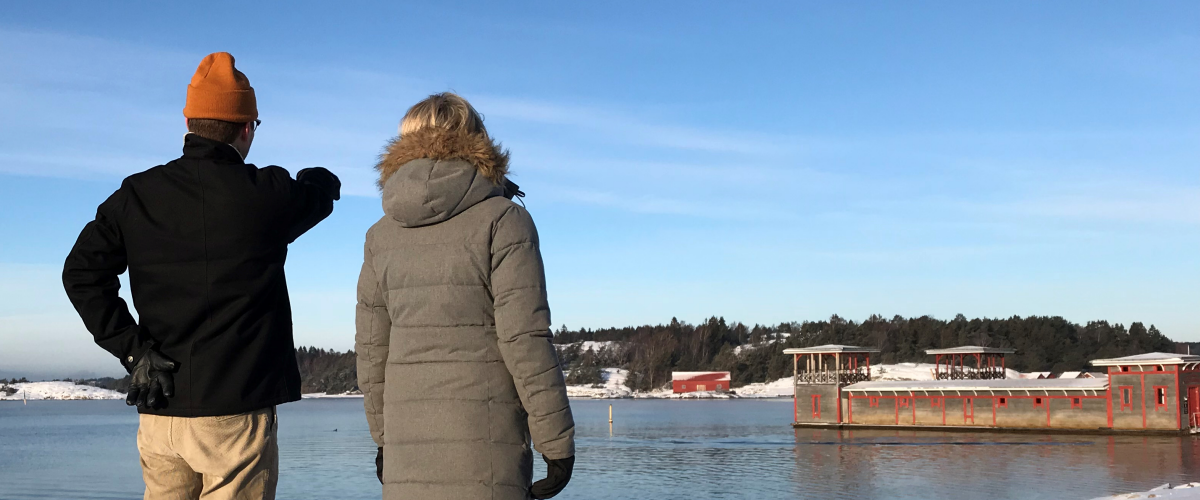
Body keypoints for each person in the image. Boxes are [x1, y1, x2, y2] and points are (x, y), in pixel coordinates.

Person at [62, 52, 340, 500]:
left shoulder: (138, 195)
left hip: (160, 411)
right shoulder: (266, 195)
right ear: (246, 127)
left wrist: (134, 352)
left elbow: (80, 274)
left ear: (189, 121)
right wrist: (319, 181)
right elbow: (318, 196)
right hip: (234, 416)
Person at [356, 92, 575, 500]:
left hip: (407, 453)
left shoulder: (380, 235)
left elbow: (372, 351)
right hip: (487, 453)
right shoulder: (504, 220)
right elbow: (525, 338)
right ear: (477, 141)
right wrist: (556, 442)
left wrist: (384, 439)